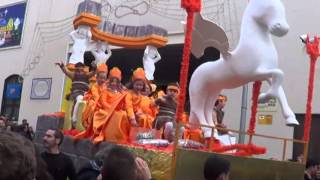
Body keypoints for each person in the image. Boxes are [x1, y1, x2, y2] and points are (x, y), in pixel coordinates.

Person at [75, 67, 129, 144]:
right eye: (112, 81)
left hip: (115, 110)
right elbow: (103, 102)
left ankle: (120, 136)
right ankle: (111, 136)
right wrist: (111, 109)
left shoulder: (120, 92)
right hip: (105, 110)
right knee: (115, 115)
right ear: (109, 81)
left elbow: (123, 103)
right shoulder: (105, 90)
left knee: (123, 114)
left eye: (116, 81)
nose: (114, 83)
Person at [55, 61, 97, 126]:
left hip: (84, 94)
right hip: (75, 93)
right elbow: (66, 71)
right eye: (78, 70)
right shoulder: (73, 74)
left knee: (85, 103)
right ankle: (74, 119)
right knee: (79, 99)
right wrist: (62, 65)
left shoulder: (86, 75)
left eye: (81, 70)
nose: (79, 72)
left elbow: (93, 72)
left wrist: (94, 67)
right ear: (75, 70)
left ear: (83, 70)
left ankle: (83, 120)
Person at [81, 63, 108, 128]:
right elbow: (96, 97)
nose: (102, 80)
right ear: (97, 77)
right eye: (101, 78)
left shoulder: (106, 86)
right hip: (95, 103)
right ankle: (91, 125)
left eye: (104, 78)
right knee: (92, 106)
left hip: (103, 104)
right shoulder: (94, 87)